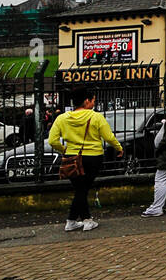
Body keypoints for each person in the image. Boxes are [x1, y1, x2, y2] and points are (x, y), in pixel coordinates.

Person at [48, 88, 123, 232]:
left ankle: (72, 220)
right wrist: (118, 147)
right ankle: (86, 220)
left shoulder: (62, 118)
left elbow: (52, 140)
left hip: (71, 157)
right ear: (87, 101)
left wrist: (64, 150)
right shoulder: (96, 117)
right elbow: (108, 137)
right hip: (93, 156)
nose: (94, 103)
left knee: (80, 188)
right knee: (83, 189)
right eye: (93, 100)